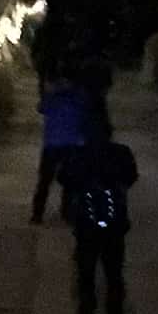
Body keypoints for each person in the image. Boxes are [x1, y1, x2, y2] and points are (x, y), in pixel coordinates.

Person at [57, 118, 139, 314]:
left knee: (86, 275)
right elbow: (131, 177)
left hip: (86, 224)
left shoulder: (78, 155)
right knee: (114, 274)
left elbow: (64, 178)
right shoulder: (121, 153)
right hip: (114, 224)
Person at [30, 76, 93, 223]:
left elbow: (41, 108)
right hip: (72, 143)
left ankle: (37, 214)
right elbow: (86, 114)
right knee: (70, 181)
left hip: (52, 143)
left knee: (45, 181)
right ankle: (67, 213)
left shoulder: (52, 97)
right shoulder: (79, 97)